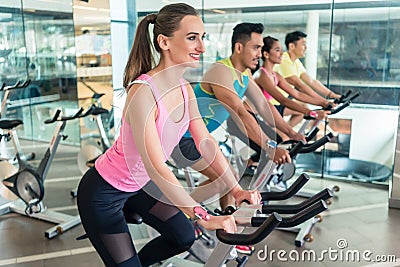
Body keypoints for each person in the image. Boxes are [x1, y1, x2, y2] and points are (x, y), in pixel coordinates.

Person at [77, 4, 261, 267]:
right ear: (164, 42)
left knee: (184, 237)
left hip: (138, 187)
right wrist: (204, 216)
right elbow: (156, 168)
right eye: (192, 38)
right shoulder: (143, 92)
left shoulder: (185, 89)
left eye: (202, 38)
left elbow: (205, 142)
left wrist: (236, 188)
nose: (202, 47)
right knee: (189, 228)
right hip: (103, 193)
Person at [171, 22, 306, 209]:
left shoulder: (245, 74)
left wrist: (291, 133)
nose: (259, 53)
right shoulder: (221, 72)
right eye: (256, 48)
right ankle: (180, 215)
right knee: (223, 180)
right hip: (181, 138)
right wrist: (270, 147)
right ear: (239, 47)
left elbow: (263, 104)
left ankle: (226, 221)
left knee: (231, 177)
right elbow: (240, 112)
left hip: (198, 137)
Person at [253, 36, 332, 141]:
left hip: (270, 113)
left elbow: (297, 94)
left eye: (281, 50)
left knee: (287, 139)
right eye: (277, 50)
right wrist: (312, 113)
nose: (281, 53)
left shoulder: (275, 75)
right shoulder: (261, 75)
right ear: (266, 54)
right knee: (285, 139)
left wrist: (323, 103)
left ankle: (285, 133)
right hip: (258, 116)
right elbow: (283, 100)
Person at [274, 31, 341, 101]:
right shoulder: (284, 60)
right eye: (303, 44)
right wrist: (322, 101)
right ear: (292, 46)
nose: (306, 47)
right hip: (275, 102)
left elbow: (311, 81)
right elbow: (299, 85)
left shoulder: (296, 62)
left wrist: (332, 95)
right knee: (304, 107)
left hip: (283, 100)